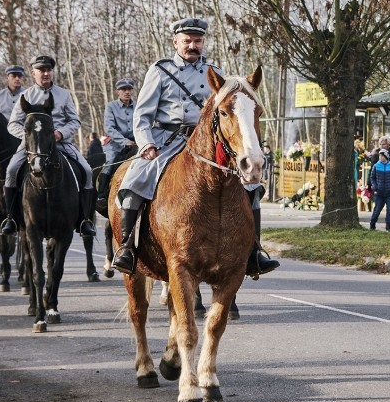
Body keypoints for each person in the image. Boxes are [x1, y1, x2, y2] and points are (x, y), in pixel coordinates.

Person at [112, 17, 278, 277]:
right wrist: (146, 144)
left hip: (208, 143)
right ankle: (127, 249)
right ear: (175, 41)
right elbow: (142, 116)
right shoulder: (160, 70)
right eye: (187, 40)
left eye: (197, 41)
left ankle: (254, 252)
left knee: (251, 186)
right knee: (134, 181)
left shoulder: (214, 71)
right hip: (167, 140)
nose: (192, 45)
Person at [0, 55, 97, 237]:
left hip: (61, 143)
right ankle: (11, 219)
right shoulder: (25, 96)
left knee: (87, 171)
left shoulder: (64, 94)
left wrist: (60, 133)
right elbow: (12, 124)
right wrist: (31, 138)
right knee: (11, 171)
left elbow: (74, 121)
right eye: (41, 70)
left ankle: (84, 220)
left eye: (48, 70)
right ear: (33, 73)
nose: (45, 73)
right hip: (31, 147)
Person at [96, 78, 137, 205]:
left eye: (129, 89)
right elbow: (109, 128)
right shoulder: (111, 106)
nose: (127, 92)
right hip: (116, 143)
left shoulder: (138, 106)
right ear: (117, 91)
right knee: (110, 161)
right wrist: (124, 141)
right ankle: (101, 194)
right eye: (123, 89)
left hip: (136, 142)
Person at [369, 135, 390, 214]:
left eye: (384, 144)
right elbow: (371, 170)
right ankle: (374, 218)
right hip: (379, 182)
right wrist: (369, 183)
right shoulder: (377, 154)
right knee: (378, 203)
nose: (382, 146)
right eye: (380, 144)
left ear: (388, 145)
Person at [369, 149, 390, 232]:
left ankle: (389, 226)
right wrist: (375, 186)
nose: (380, 157)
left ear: (386, 157)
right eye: (379, 156)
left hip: (389, 193)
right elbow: (372, 177)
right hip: (379, 193)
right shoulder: (376, 166)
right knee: (377, 210)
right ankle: (372, 224)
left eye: (382, 156)